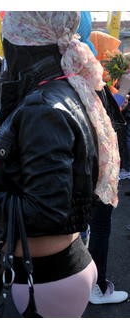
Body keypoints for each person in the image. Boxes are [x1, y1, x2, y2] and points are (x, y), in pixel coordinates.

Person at [0, 12, 121, 317]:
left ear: (24, 43)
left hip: (43, 281)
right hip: (53, 272)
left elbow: (45, 211)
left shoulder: (45, 106)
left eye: (9, 39)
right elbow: (47, 174)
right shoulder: (63, 88)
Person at [76, 12, 129, 305]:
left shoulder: (64, 76)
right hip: (95, 169)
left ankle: (86, 280)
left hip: (85, 169)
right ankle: (96, 287)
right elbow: (106, 125)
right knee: (99, 226)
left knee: (86, 227)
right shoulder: (86, 80)